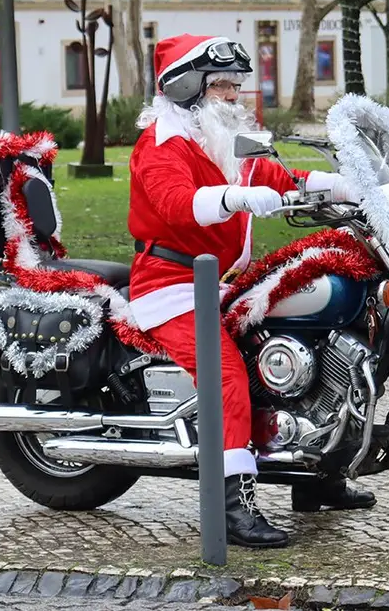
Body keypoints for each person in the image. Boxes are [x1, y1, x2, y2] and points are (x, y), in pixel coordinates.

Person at [127, 34, 371, 549]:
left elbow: (286, 178)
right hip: (172, 284)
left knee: (316, 338)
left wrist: (350, 186)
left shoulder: (224, 141)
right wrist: (237, 197)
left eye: (236, 86)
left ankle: (315, 476)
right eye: (221, 86)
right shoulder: (161, 142)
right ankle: (230, 509)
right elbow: (177, 204)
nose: (233, 97)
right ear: (188, 86)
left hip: (220, 280)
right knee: (228, 378)